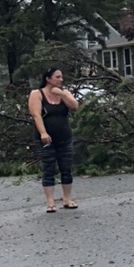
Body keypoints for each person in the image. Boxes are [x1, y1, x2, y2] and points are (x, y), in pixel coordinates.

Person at [28, 67, 80, 212]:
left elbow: (75, 106)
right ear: (48, 79)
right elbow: (36, 115)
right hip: (46, 139)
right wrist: (43, 133)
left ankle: (67, 199)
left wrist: (62, 95)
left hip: (65, 138)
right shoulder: (37, 94)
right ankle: (50, 202)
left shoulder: (65, 93)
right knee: (48, 168)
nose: (61, 80)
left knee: (66, 168)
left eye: (61, 77)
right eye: (57, 77)